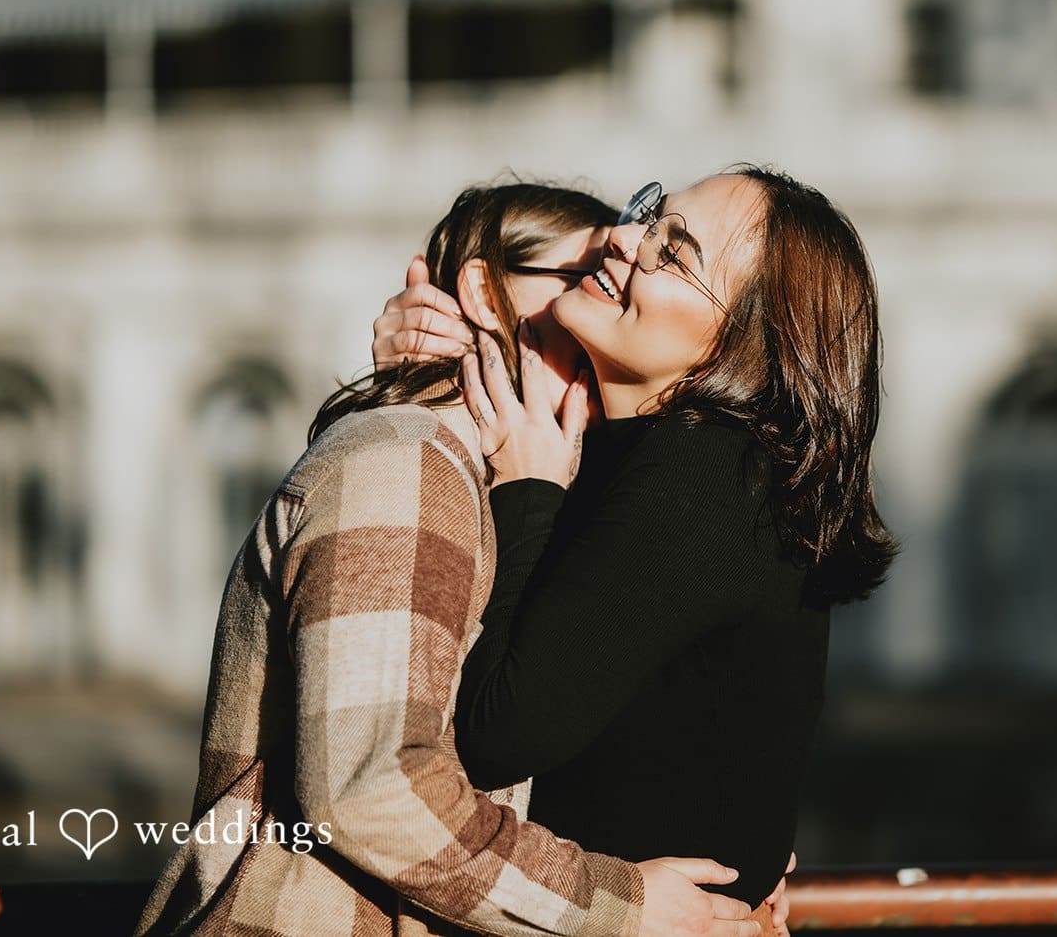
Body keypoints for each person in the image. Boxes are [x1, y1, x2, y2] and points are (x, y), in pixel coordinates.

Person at [133, 184, 770, 937]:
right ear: (478, 288)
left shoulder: (522, 489)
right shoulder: (408, 463)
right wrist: (623, 907)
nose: (608, 291)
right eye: (580, 277)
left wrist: (740, 865)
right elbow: (374, 787)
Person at [377, 167, 896, 916]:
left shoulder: (710, 475)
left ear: (747, 343)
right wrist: (427, 362)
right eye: (650, 219)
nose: (620, 242)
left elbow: (496, 729)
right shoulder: (640, 455)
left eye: (673, 253)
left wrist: (528, 490)